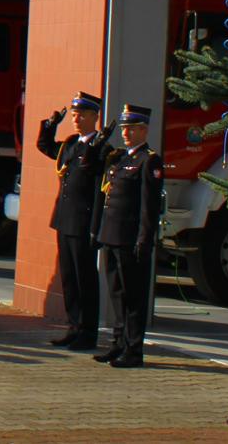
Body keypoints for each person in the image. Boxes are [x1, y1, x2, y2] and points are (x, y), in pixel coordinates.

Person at [35, 92, 110, 351]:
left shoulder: (102, 147)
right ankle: (73, 326)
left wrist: (96, 226)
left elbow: (100, 186)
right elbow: (45, 147)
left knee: (84, 277)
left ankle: (88, 332)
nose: (76, 119)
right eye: (74, 114)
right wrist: (50, 125)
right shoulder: (70, 144)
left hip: (83, 220)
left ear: (94, 117)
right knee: (69, 277)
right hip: (65, 218)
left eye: (82, 115)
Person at [94, 103, 164, 368]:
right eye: (124, 128)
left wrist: (144, 239)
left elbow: (149, 206)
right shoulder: (121, 158)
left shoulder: (149, 160)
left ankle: (134, 350)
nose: (126, 133)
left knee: (134, 297)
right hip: (112, 236)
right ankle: (118, 343)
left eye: (131, 128)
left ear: (144, 130)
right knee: (117, 293)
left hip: (130, 238)